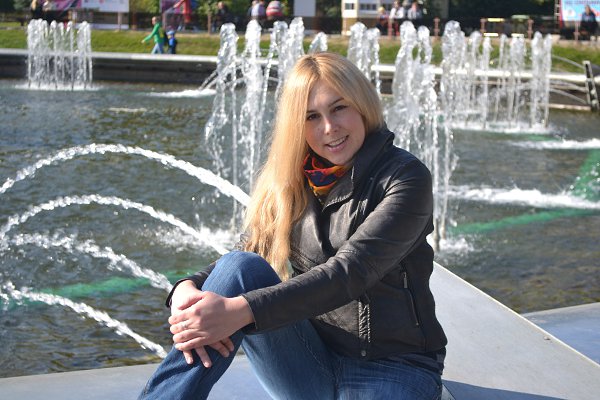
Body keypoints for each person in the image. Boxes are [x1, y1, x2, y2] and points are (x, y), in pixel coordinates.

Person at [138, 52, 447, 400]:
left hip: (394, 367)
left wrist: (239, 311)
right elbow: (247, 252)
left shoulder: (404, 177)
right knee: (240, 266)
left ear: (362, 105)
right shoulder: (292, 180)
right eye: (311, 116)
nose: (329, 127)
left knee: (235, 305)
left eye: (339, 108)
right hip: (307, 360)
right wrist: (187, 287)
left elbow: (351, 273)